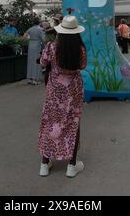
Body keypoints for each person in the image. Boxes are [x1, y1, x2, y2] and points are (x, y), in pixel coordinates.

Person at [38, 15, 87, 178]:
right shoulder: (80, 49)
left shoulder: (51, 46)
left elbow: (43, 63)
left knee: (50, 122)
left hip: (54, 91)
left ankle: (44, 164)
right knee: (73, 123)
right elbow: (82, 65)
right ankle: (71, 166)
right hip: (73, 89)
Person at [24, 17, 44, 85]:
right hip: (37, 45)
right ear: (39, 22)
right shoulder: (40, 29)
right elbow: (43, 39)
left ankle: (29, 78)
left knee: (30, 61)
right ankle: (35, 79)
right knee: (37, 61)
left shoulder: (30, 29)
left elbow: (24, 37)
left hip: (30, 45)